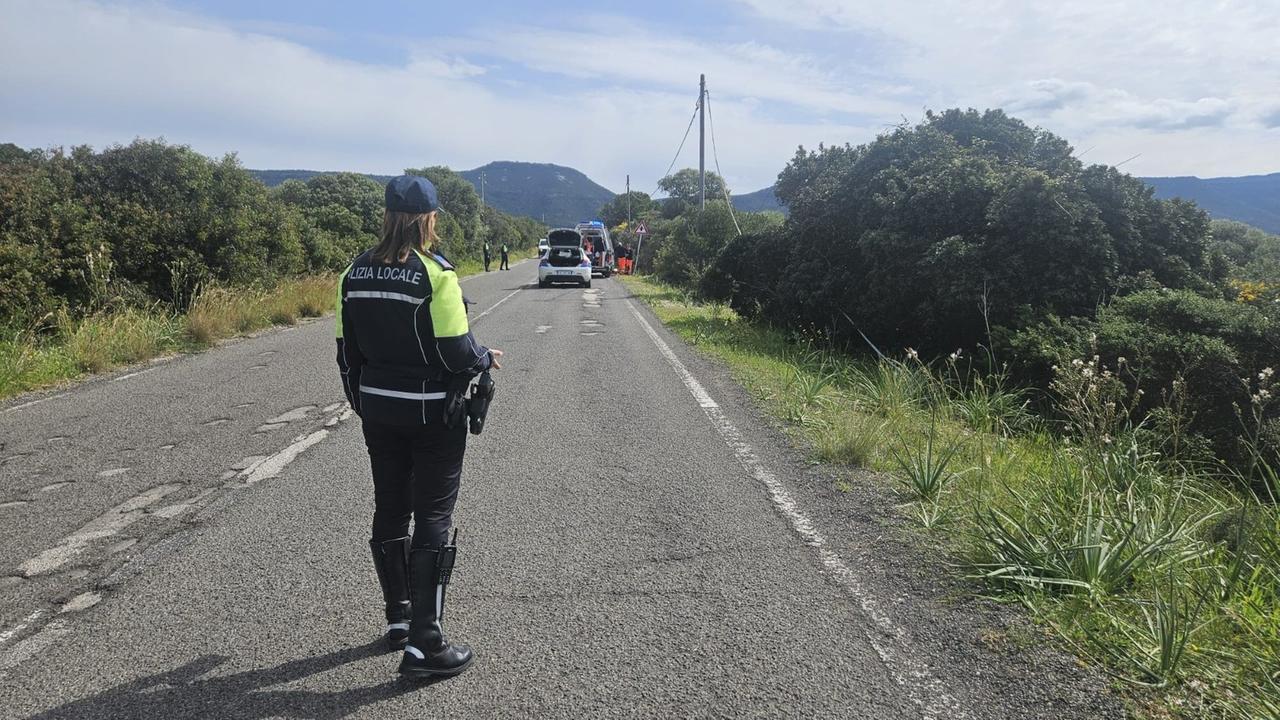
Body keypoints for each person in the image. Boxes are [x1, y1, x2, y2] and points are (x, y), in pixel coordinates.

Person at [335, 174, 503, 679]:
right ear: (429, 219)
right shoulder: (435, 274)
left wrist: (363, 405)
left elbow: (348, 355)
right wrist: (483, 357)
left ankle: (400, 618)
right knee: (433, 514)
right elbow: (455, 350)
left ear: (386, 216)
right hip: (433, 412)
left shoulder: (352, 273)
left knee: (390, 508)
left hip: (379, 411)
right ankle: (427, 644)